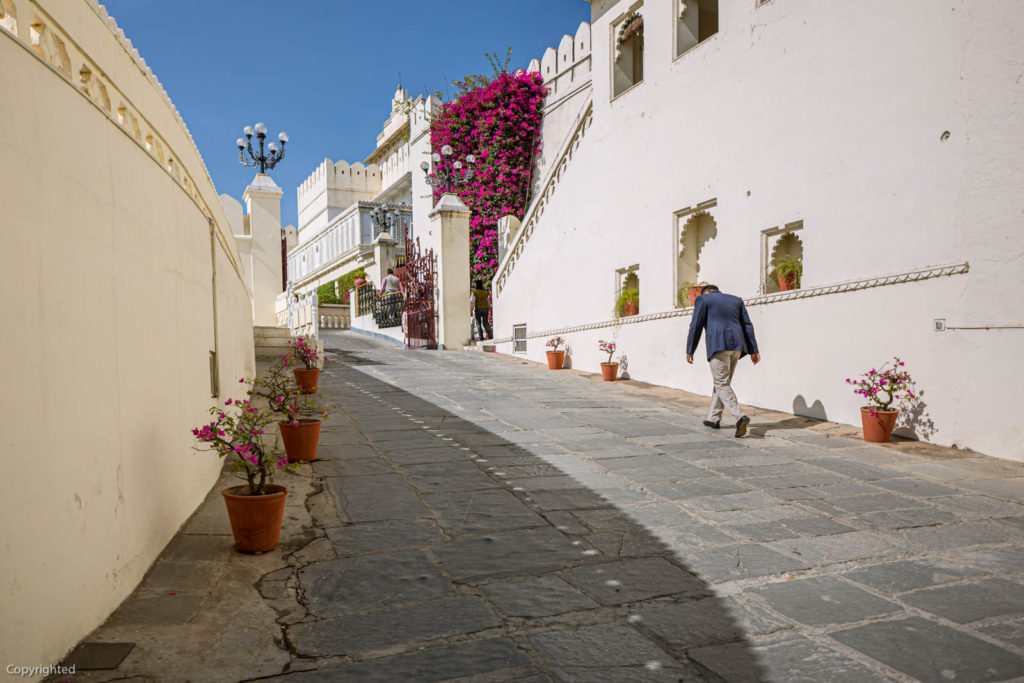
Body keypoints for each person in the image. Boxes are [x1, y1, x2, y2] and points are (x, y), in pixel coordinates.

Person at [685, 284, 761, 437]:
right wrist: (754, 350)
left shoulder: (703, 299)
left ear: (704, 292)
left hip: (718, 345)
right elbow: (747, 325)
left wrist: (690, 349)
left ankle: (739, 416)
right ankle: (713, 418)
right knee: (722, 383)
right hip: (737, 347)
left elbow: (696, 325)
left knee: (721, 383)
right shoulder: (736, 300)